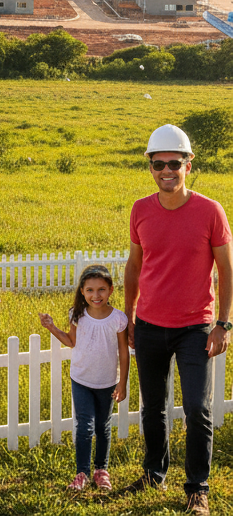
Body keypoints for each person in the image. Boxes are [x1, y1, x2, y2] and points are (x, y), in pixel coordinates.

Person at [124, 124, 232, 516]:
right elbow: (134, 265)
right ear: (150, 166)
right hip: (150, 325)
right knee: (152, 407)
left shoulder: (209, 211)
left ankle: (197, 488)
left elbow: (226, 269)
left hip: (195, 328)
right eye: (158, 164)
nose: (166, 170)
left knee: (196, 409)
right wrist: (130, 315)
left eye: (174, 163)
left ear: (189, 165)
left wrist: (224, 323)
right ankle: (154, 473)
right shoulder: (140, 209)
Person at [39, 265, 129, 492]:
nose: (95, 295)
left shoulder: (118, 319)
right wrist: (51, 327)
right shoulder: (77, 315)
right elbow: (71, 341)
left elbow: (123, 351)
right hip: (81, 379)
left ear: (110, 290)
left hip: (107, 381)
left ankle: (101, 470)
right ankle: (82, 473)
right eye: (90, 290)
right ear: (82, 291)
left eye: (101, 290)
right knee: (85, 427)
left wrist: (122, 382)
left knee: (103, 426)